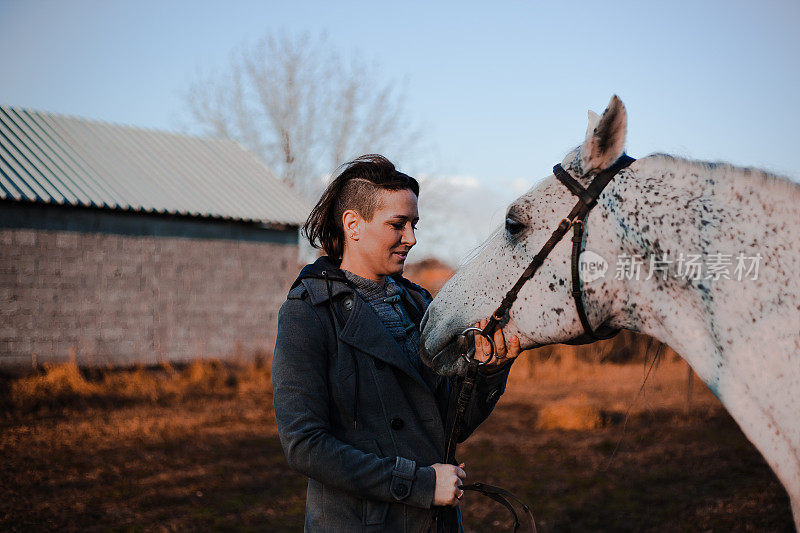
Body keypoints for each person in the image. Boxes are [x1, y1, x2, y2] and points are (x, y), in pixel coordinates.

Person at [272, 155, 520, 532]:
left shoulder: (421, 305)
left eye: (414, 224)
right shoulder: (308, 312)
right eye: (397, 224)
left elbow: (449, 426)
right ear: (353, 224)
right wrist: (419, 483)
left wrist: (489, 369)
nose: (412, 238)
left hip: (434, 523)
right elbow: (305, 445)